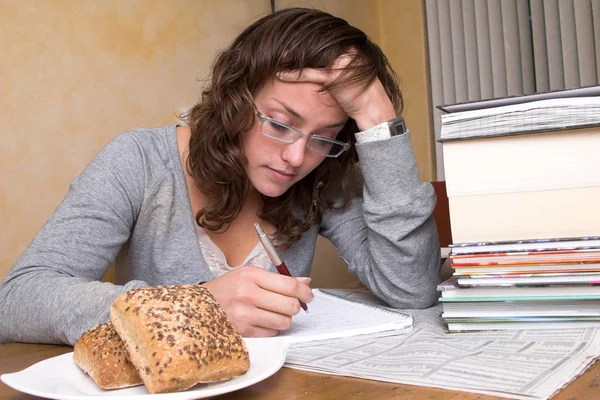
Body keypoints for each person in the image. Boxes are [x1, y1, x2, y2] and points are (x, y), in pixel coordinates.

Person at [0, 7, 440, 345]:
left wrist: (379, 120)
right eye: (281, 123)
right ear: (236, 98)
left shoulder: (321, 175)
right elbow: (18, 299)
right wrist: (195, 306)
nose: (296, 157)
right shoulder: (137, 160)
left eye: (324, 136)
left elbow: (412, 290)